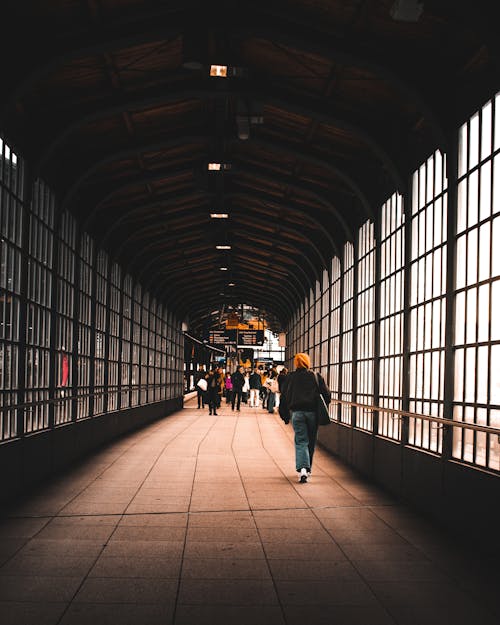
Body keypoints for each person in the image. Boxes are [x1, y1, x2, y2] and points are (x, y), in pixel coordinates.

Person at [281, 353, 330, 483]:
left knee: (301, 440)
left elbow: (284, 396)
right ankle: (308, 469)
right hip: (313, 414)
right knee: (311, 441)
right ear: (308, 362)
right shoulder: (315, 376)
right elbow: (327, 394)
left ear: (296, 363)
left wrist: (285, 415)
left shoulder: (291, 377)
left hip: (297, 413)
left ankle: (302, 469)